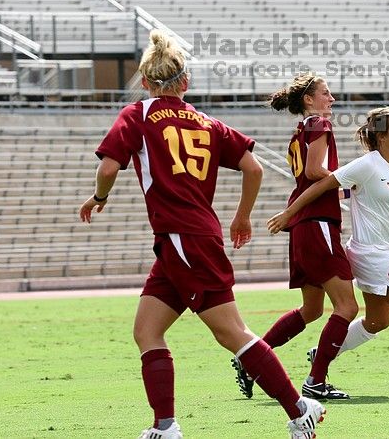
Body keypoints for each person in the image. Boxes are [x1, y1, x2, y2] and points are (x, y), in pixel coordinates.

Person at [78, 30, 325, 439]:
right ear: (185, 83)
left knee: (231, 332)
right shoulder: (206, 121)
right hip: (184, 240)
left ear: (144, 82)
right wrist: (242, 217)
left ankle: (301, 409)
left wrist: (98, 196)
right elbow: (254, 167)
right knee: (147, 330)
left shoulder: (137, 114)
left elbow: (107, 169)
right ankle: (166, 426)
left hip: (183, 238)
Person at [268, 106, 389, 396]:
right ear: (381, 136)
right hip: (369, 251)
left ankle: (322, 353)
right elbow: (320, 186)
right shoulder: (366, 165)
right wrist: (288, 213)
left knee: (378, 321)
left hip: (386, 250)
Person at [232, 73, 359, 401]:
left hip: (305, 225)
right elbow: (315, 171)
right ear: (309, 100)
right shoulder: (319, 123)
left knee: (313, 309)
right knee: (346, 306)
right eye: (326, 93)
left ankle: (250, 361)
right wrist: (352, 181)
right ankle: (316, 381)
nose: (331, 99)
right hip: (317, 223)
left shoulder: (302, 129)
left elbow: (308, 174)